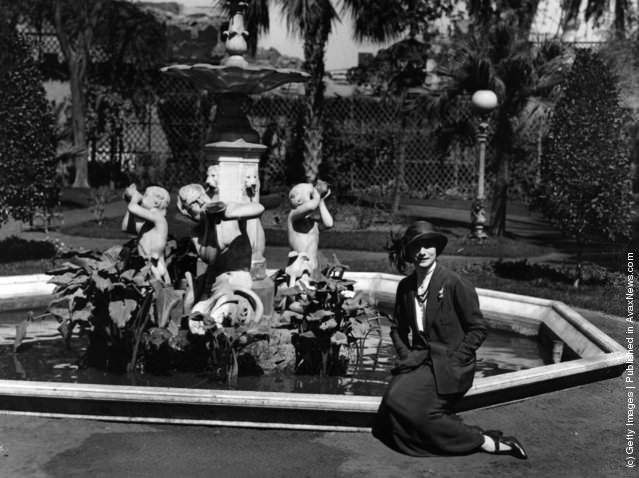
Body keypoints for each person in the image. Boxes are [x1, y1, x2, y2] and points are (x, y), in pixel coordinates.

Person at [372, 221, 527, 459]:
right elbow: (396, 330)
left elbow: (478, 328)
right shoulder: (405, 287)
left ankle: (485, 441)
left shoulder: (454, 283)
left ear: (436, 249)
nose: (423, 252)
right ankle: (446, 436)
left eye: (428, 245)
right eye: (416, 247)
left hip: (451, 365)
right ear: (409, 252)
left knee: (418, 410)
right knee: (393, 401)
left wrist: (456, 359)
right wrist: (407, 355)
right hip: (421, 362)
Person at [177, 183, 264, 300]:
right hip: (216, 280)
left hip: (239, 277)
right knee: (192, 303)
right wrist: (210, 223)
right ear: (187, 213)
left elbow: (258, 208)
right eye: (193, 204)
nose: (201, 203)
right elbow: (210, 258)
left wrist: (227, 215)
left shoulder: (229, 208)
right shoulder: (196, 231)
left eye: (201, 197)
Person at [121, 183, 171, 284]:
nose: (142, 197)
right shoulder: (148, 225)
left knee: (158, 294)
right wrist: (131, 201)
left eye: (146, 195)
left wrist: (135, 197)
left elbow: (133, 208)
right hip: (147, 267)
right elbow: (126, 227)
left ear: (156, 202)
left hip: (155, 267)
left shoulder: (158, 218)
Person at [287, 180, 333, 278]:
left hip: (313, 269)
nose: (314, 197)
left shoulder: (313, 223)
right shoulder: (293, 216)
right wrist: (317, 196)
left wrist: (321, 201)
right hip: (298, 270)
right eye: (311, 195)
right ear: (299, 201)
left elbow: (329, 223)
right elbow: (311, 206)